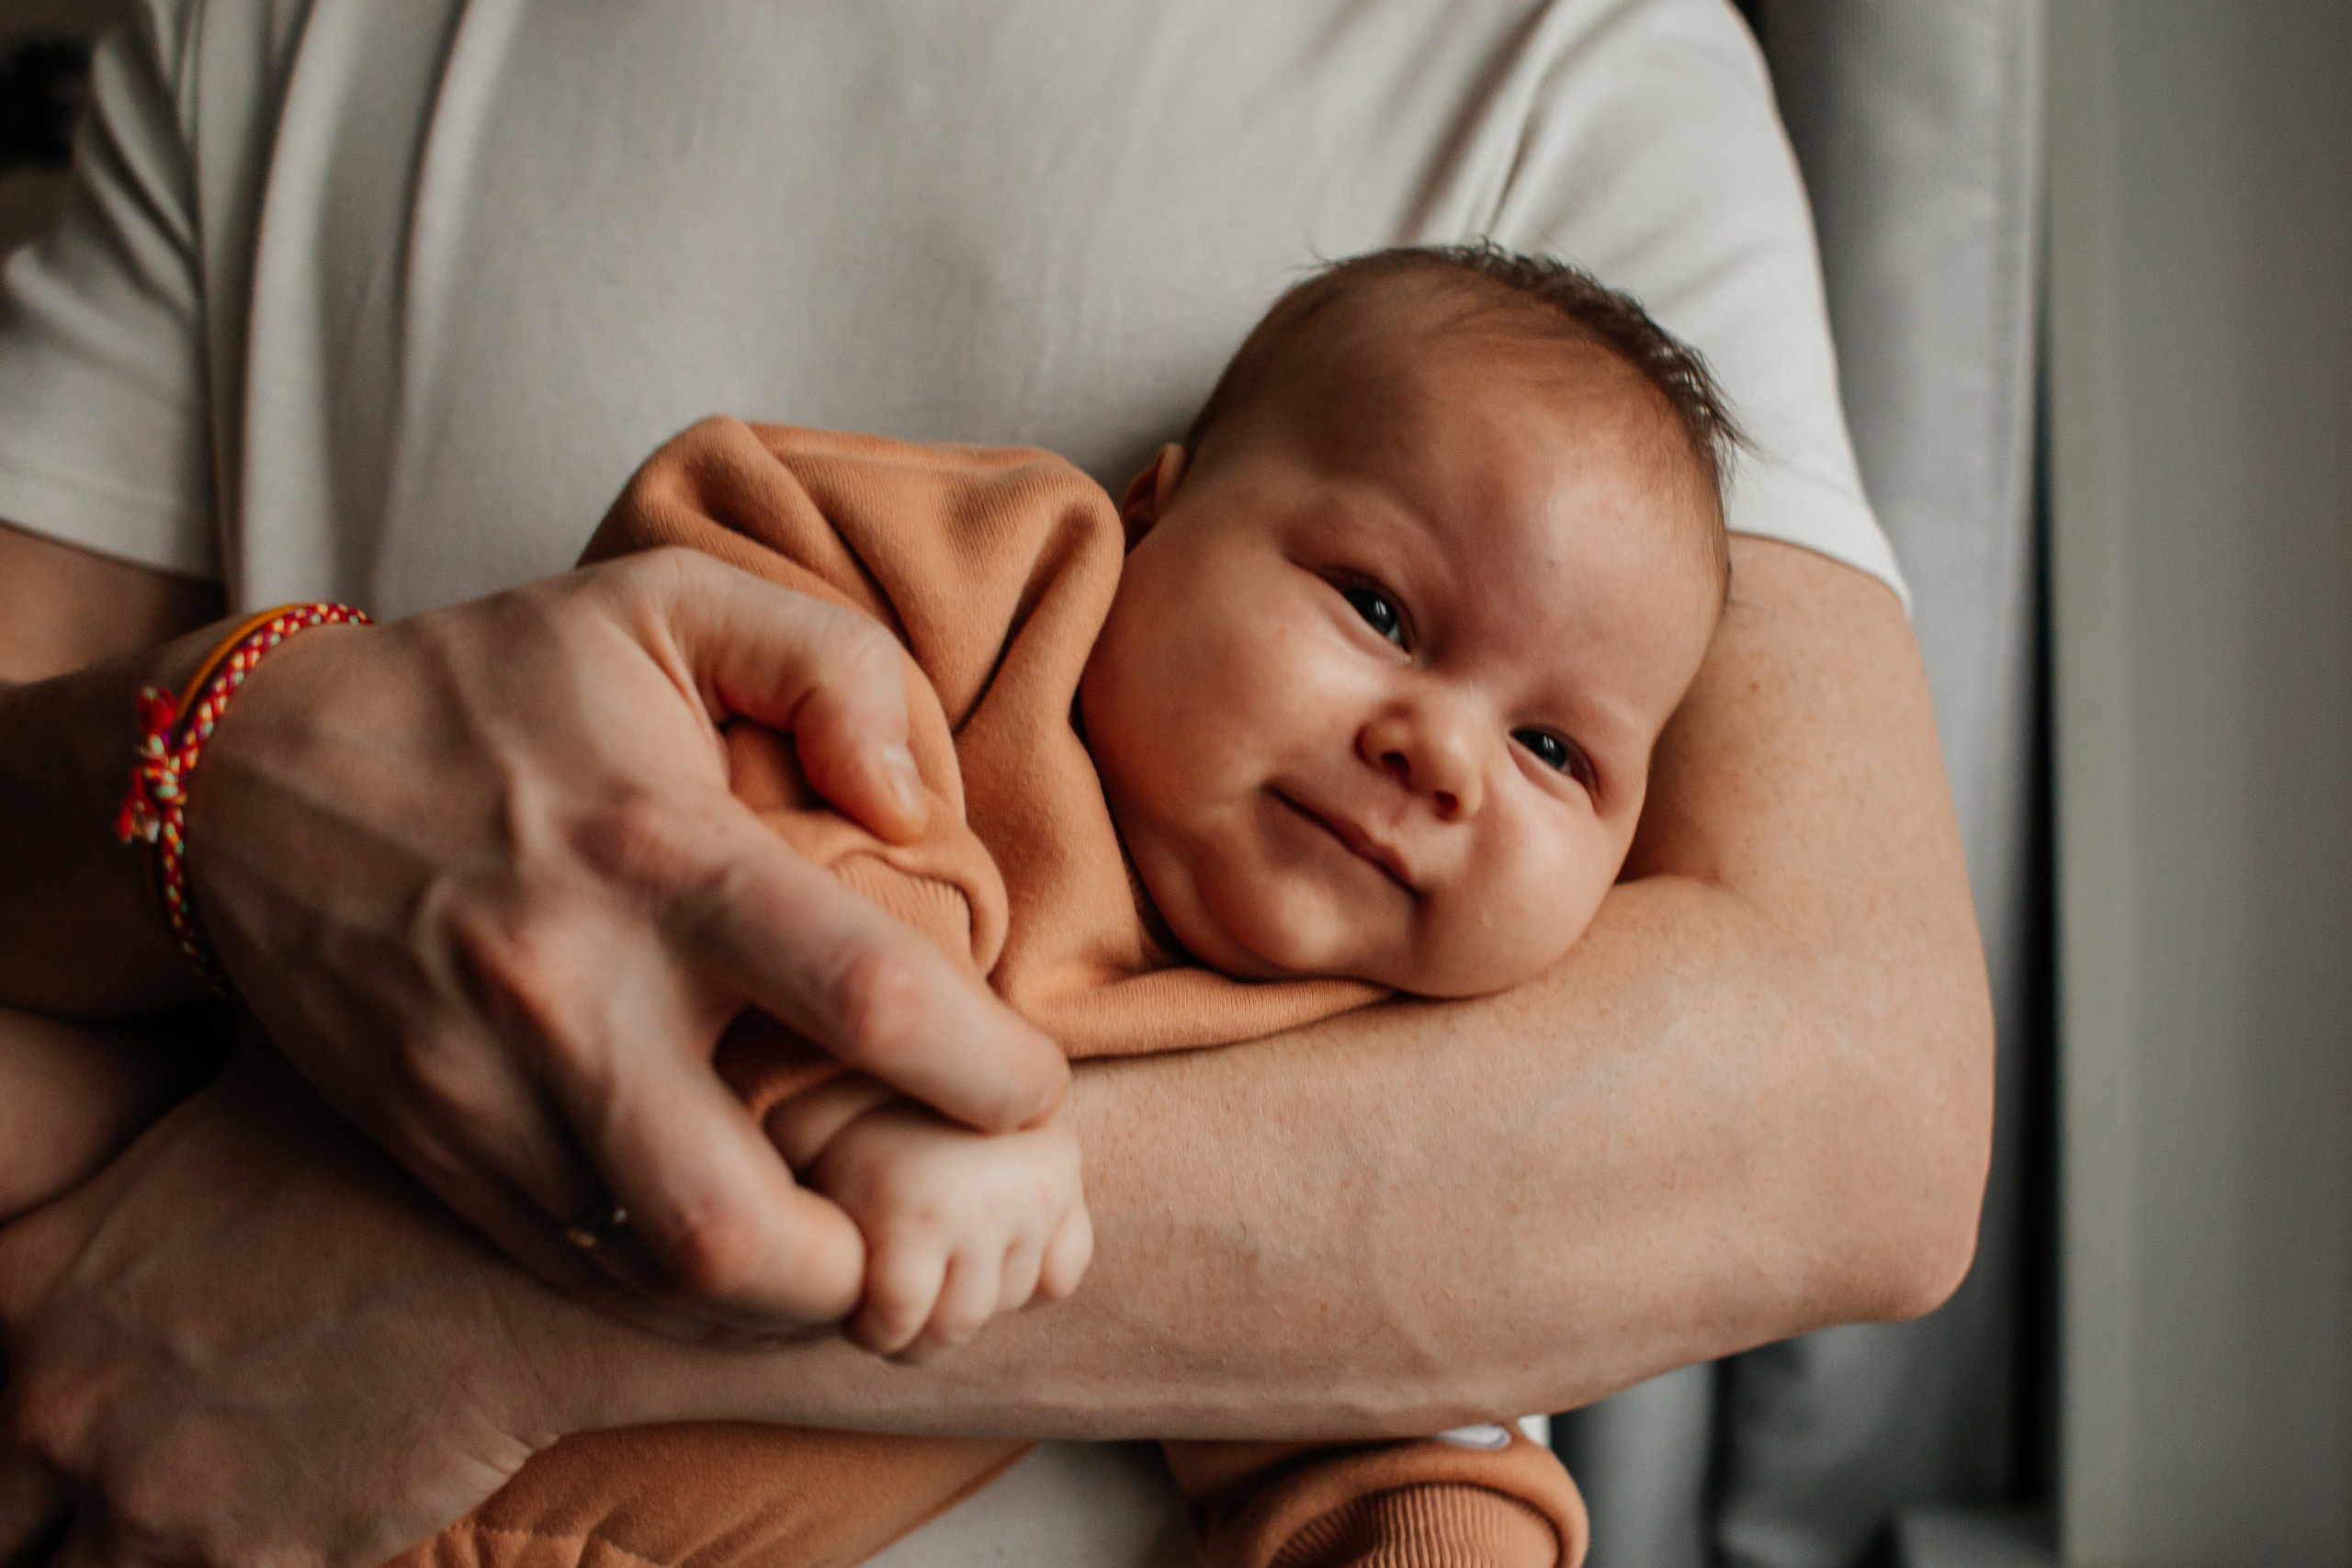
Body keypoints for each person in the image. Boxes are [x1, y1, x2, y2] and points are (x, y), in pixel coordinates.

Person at [0, 4, 1992, 1565]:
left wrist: (525, 1307)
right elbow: (720, 624)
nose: (1441, 750)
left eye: (1557, 751)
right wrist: (233, 750)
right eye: (1375, 608)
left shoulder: (1580, 63)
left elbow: (1835, 1132)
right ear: (1161, 510)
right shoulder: (1009, 600)